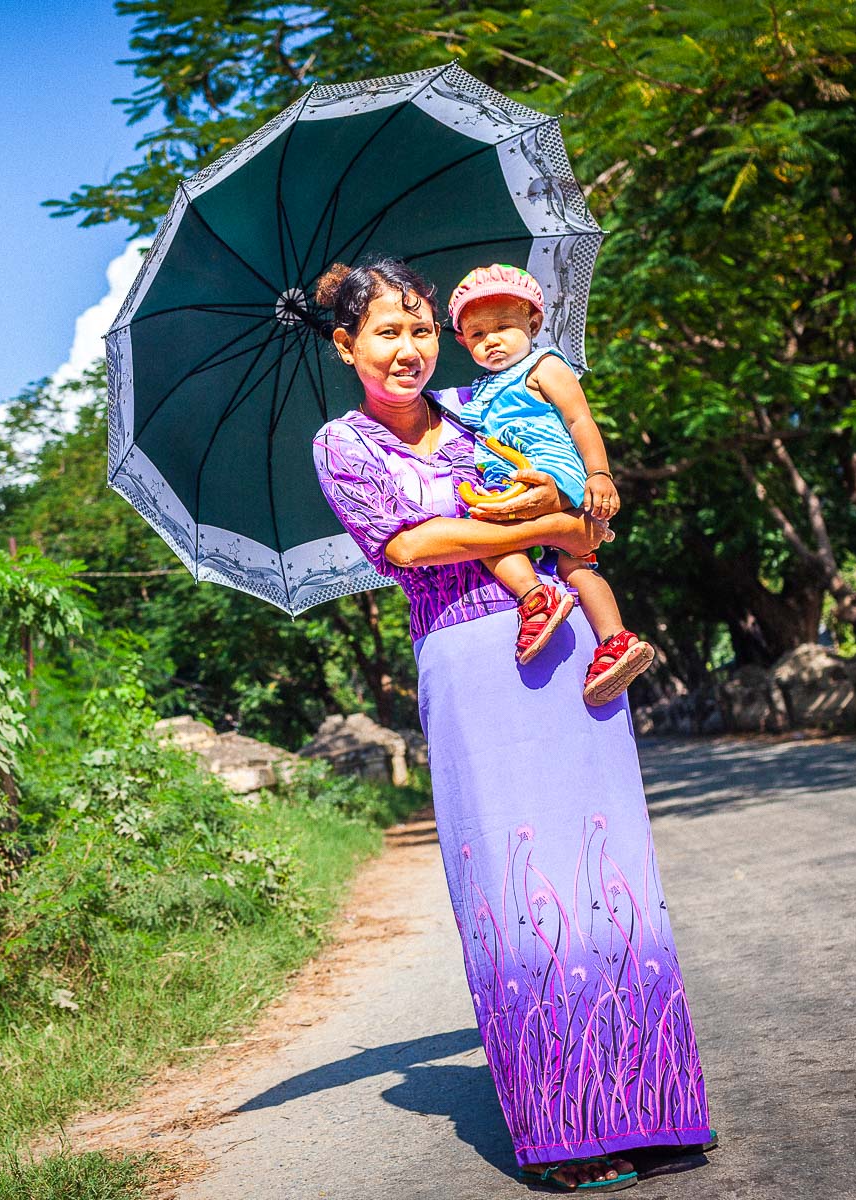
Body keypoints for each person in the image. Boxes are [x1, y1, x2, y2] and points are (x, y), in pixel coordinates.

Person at [310, 258, 714, 1192]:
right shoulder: (342, 445)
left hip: (569, 650)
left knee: (608, 870)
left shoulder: (482, 408)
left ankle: (653, 1108)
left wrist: (566, 514)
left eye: (421, 329)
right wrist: (534, 528)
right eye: (386, 333)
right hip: (467, 663)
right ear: (346, 347)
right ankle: (570, 1129)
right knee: (519, 885)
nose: (408, 349)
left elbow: (582, 523)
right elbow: (413, 546)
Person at [445, 264, 656, 706]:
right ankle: (615, 640)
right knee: (575, 563)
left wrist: (600, 474)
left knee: (486, 538)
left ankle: (536, 599)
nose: (492, 340)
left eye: (503, 327)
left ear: (533, 324)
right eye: (478, 334)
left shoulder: (545, 366)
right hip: (512, 480)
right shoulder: (479, 390)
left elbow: (580, 419)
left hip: (552, 473)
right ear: (462, 341)